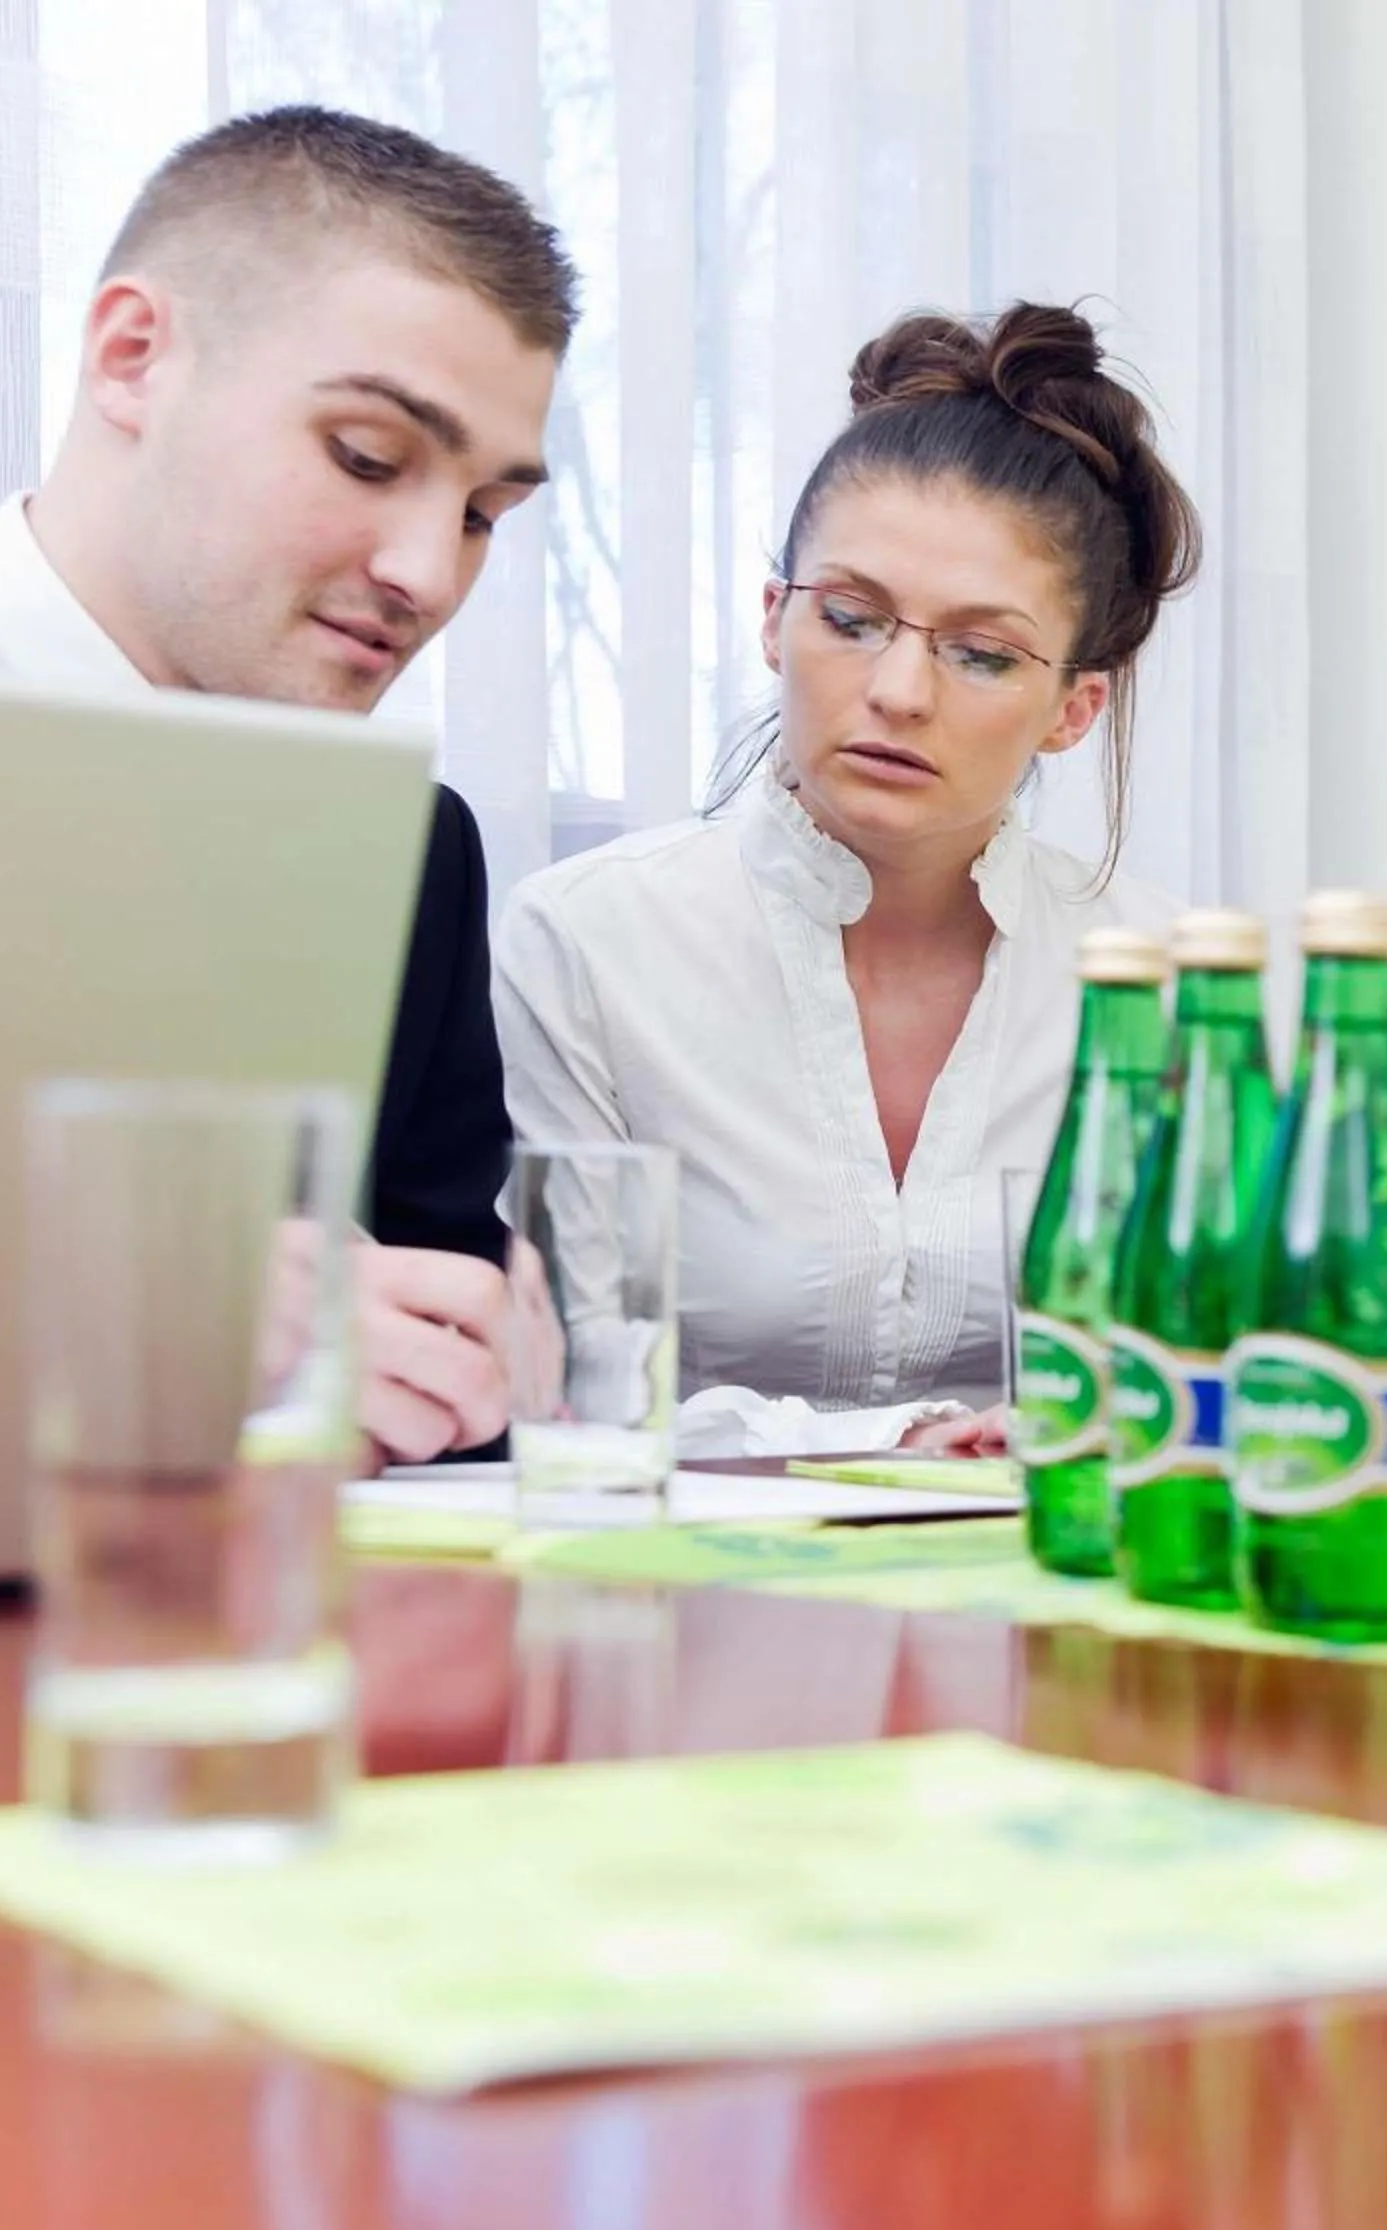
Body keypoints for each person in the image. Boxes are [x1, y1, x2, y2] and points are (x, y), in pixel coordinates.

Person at [0, 106, 576, 1466]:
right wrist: (123, 1316)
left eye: (481, 516)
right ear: (133, 357)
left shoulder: (410, 848)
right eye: (369, 458)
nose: (429, 575)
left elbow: (450, 1370)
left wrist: (471, 1358)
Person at [495, 302, 1202, 1432]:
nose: (900, 692)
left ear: (1076, 707)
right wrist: (908, 1442)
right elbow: (586, 1396)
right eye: (853, 618)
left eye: (980, 652)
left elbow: (1198, 1380)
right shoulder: (588, 942)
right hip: (690, 1592)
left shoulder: (1165, 982)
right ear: (774, 620)